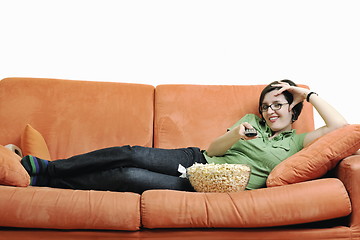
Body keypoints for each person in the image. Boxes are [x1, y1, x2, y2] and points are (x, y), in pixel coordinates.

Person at [20, 80, 348, 193]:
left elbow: (340, 128)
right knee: (132, 152)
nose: (270, 111)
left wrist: (308, 93)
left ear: (295, 109)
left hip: (206, 185)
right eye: (265, 106)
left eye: (278, 105)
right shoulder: (251, 121)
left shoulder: (298, 143)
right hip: (196, 160)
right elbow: (212, 148)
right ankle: (48, 169)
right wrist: (235, 134)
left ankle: (47, 182)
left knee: (128, 176)